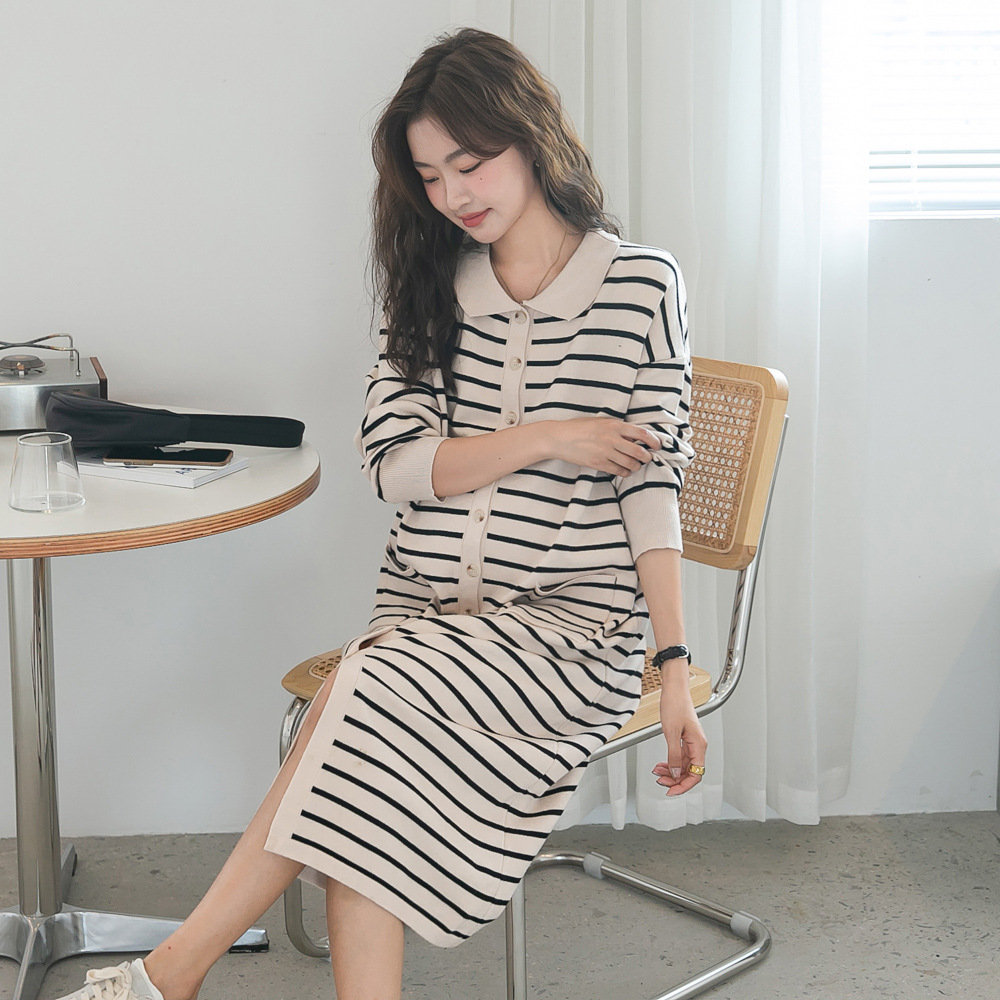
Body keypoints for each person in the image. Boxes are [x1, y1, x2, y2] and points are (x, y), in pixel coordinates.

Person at [56, 27, 707, 1000]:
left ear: (532, 137)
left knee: (360, 705)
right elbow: (398, 467)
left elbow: (651, 490)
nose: (454, 193)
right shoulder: (431, 289)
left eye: (471, 162)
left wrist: (674, 668)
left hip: (571, 634)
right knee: (368, 748)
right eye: (431, 174)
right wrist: (549, 435)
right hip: (425, 615)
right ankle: (174, 976)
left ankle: (169, 973)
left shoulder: (641, 285)